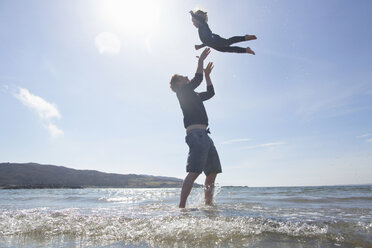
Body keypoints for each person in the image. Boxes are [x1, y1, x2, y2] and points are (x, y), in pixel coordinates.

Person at [169, 48, 222, 208]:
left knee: (212, 171)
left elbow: (211, 93)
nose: (186, 77)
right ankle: (181, 207)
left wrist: (207, 76)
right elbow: (196, 80)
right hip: (196, 135)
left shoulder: (194, 95)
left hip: (205, 136)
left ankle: (208, 204)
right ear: (178, 84)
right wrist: (200, 62)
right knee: (195, 171)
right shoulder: (182, 91)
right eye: (182, 77)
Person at [190, 10, 257, 55]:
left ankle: (245, 38)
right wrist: (199, 46)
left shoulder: (203, 24)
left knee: (228, 42)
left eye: (193, 21)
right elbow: (206, 42)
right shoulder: (200, 29)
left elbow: (201, 20)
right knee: (231, 49)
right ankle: (246, 50)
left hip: (216, 40)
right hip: (216, 46)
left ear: (198, 19)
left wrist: (193, 14)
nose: (193, 24)